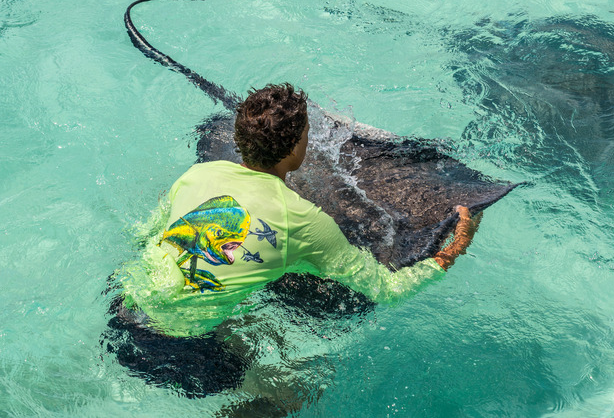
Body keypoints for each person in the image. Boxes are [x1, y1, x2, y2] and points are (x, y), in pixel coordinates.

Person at [119, 83, 477, 338]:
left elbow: (146, 233)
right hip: (181, 343)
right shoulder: (302, 220)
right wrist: (453, 250)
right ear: (295, 148)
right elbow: (387, 289)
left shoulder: (196, 176)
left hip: (125, 301)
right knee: (295, 391)